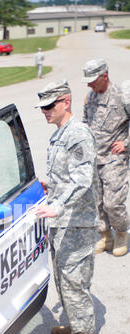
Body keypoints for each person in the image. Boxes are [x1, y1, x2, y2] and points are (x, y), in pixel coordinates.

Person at [34, 79, 100, 334]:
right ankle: (77, 325)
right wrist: (52, 186)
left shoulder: (79, 134)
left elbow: (83, 179)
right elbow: (69, 176)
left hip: (76, 221)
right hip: (63, 220)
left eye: (49, 106)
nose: (44, 111)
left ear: (66, 102)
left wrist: (58, 205)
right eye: (42, 107)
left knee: (74, 278)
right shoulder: (60, 133)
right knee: (63, 276)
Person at [82, 58, 130, 256]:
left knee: (113, 202)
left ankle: (121, 232)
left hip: (114, 157)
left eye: (93, 80)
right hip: (94, 157)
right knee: (97, 201)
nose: (89, 84)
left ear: (105, 76)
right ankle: (105, 235)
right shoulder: (90, 97)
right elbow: (85, 120)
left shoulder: (122, 96)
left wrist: (126, 143)